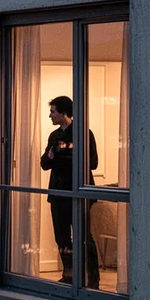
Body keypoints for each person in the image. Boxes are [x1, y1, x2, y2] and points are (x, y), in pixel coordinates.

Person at [39, 96, 100, 287]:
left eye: (53, 111)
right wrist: (57, 157)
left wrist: (58, 156)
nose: (50, 115)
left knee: (84, 238)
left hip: (78, 194)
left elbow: (92, 162)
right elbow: (44, 163)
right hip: (58, 194)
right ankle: (69, 276)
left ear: (64, 113)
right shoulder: (54, 136)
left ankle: (92, 280)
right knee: (62, 238)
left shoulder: (83, 133)